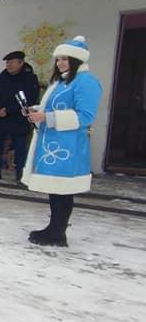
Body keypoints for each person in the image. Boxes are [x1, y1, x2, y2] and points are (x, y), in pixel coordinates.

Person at [22, 36, 102, 247]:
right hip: (53, 142)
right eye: (58, 59)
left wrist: (46, 117)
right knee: (55, 189)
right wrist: (36, 111)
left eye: (65, 59)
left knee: (63, 190)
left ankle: (58, 233)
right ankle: (54, 228)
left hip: (69, 144)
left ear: (77, 60)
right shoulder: (62, 81)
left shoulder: (86, 81)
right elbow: (53, 108)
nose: (60, 63)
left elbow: (86, 116)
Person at [0, 50, 40, 183]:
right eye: (7, 63)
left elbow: (30, 98)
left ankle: (21, 174)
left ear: (21, 63)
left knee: (20, 147)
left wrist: (8, 110)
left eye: (12, 62)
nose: (9, 65)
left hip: (18, 118)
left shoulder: (29, 79)